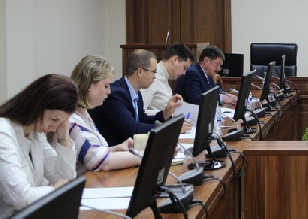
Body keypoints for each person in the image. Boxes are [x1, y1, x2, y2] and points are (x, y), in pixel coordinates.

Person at [0, 74, 78, 216]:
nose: (53, 128)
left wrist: (63, 136)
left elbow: (63, 178)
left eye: (60, 122)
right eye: (54, 119)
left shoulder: (36, 132)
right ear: (37, 105)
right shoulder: (3, 132)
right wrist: (54, 191)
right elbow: (21, 198)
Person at [88, 49, 185, 147]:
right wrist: (170, 129)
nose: (155, 76)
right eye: (153, 72)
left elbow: (142, 120)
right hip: (113, 152)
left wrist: (165, 113)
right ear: (140, 72)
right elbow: (133, 129)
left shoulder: (135, 92)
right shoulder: (115, 94)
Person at [69, 55, 142, 172]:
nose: (109, 92)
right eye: (106, 86)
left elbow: (93, 152)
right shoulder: (72, 120)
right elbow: (102, 162)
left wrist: (115, 149)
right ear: (89, 85)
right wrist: (145, 155)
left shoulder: (84, 114)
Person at [140, 43, 194, 112]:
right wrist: (166, 112)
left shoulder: (163, 76)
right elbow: (139, 112)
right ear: (175, 60)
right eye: (185, 68)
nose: (184, 73)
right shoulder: (152, 77)